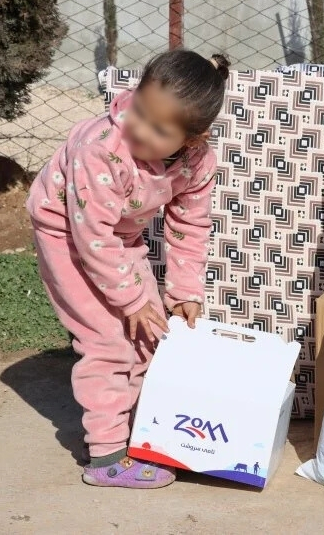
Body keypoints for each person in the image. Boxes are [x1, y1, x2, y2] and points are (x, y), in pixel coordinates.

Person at [27, 50, 229, 488]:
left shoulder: (198, 163)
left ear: (193, 140)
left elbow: (189, 226)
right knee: (107, 341)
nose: (137, 127)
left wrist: (184, 293)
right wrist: (131, 298)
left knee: (147, 335)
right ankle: (106, 456)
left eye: (158, 129)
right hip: (67, 231)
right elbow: (91, 235)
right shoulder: (100, 147)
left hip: (119, 236)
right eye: (138, 110)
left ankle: (130, 432)